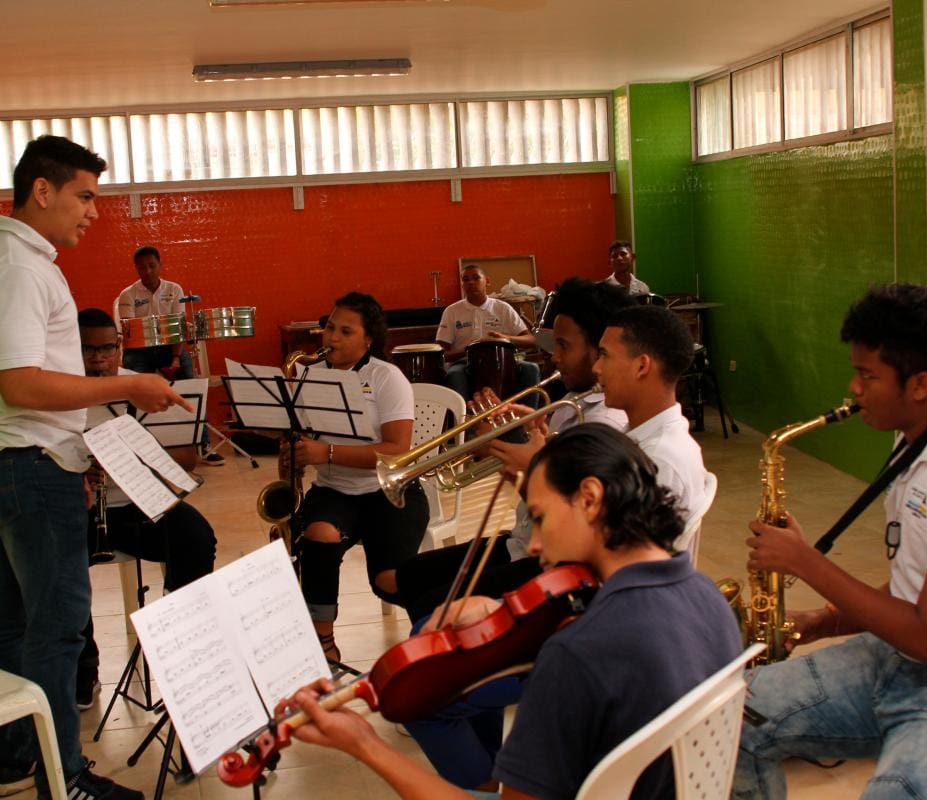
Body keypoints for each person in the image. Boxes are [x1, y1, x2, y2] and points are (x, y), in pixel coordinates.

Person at [279, 424, 742, 800]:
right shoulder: (706, 595)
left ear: (590, 497)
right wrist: (499, 607)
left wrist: (365, 746)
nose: (535, 545)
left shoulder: (576, 656)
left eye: (538, 517)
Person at [0, 134, 188, 800]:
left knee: (14, 615)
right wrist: (126, 385)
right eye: (85, 195)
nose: (93, 211)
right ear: (43, 190)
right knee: (57, 624)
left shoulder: (16, 256)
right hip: (27, 466)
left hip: (13, 456)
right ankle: (66, 780)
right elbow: (22, 385)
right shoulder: (18, 267)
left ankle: (8, 759)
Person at [732, 284, 927, 799]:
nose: (853, 388)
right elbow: (916, 585)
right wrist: (827, 621)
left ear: (921, 384)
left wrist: (806, 561)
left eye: (867, 375)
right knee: (733, 715)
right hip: (899, 660)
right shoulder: (915, 436)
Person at [396, 277, 632, 624]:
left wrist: (510, 458)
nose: (555, 355)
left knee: (429, 607)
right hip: (521, 540)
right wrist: (518, 428)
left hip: (547, 560)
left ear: (601, 350)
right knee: (410, 577)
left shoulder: (605, 422)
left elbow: (568, 519)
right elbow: (555, 462)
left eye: (564, 345)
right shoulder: (574, 401)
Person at [74, 308, 218, 710]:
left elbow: (186, 456)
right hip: (86, 507)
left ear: (118, 346)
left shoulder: (137, 386)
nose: (99, 359)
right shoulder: (62, 392)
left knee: (196, 537)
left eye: (107, 348)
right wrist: (81, 467)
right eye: (88, 350)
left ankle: (182, 644)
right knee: (64, 566)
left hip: (142, 502)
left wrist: (158, 453)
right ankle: (84, 667)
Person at [294, 292, 429, 662]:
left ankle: (434, 635)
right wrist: (297, 451)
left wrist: (329, 453)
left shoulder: (387, 377)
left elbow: (398, 447)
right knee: (319, 534)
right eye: (329, 328)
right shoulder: (309, 376)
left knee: (388, 581)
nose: (332, 338)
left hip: (391, 492)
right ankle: (324, 643)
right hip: (334, 490)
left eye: (345, 331)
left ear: (368, 339)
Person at [593, 303, 708, 518]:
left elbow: (622, 548)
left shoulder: (657, 460)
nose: (596, 368)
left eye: (604, 356)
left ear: (642, 366)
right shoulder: (642, 439)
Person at [435, 264, 542, 403]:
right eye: (465, 279)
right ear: (462, 284)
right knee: (454, 374)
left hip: (503, 361)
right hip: (464, 363)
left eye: (476, 278)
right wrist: (472, 349)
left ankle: (527, 419)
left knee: (531, 369)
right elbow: (441, 355)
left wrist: (505, 338)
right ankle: (464, 421)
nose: (471, 282)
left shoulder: (502, 308)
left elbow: (531, 340)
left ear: (487, 281)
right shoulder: (452, 311)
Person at [116, 245, 194, 379]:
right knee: (137, 385)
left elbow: (178, 326)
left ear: (160, 265)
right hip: (138, 350)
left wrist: (176, 357)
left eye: (152, 265)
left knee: (186, 377)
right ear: (137, 269)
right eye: (142, 268)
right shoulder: (127, 294)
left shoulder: (174, 290)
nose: (148, 271)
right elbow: (131, 332)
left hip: (169, 347)